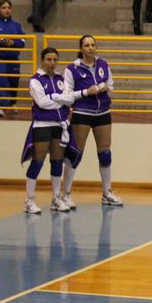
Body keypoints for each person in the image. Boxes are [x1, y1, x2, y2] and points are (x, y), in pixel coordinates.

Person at [20, 47, 94, 214]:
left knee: (57, 160)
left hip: (60, 125)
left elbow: (69, 99)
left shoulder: (61, 78)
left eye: (55, 60)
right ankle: (29, 200)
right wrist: (60, 100)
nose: (52, 63)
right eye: (49, 59)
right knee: (38, 161)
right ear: (43, 60)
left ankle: (56, 198)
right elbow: (42, 103)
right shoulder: (36, 80)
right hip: (42, 125)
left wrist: (54, 97)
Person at [60, 35, 123, 208]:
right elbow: (67, 95)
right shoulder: (72, 69)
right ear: (81, 48)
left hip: (103, 112)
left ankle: (107, 193)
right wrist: (86, 92)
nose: (90, 48)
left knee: (105, 153)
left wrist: (106, 88)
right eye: (87, 45)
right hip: (82, 112)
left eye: (93, 45)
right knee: (76, 153)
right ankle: (65, 194)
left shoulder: (103, 64)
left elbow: (111, 86)